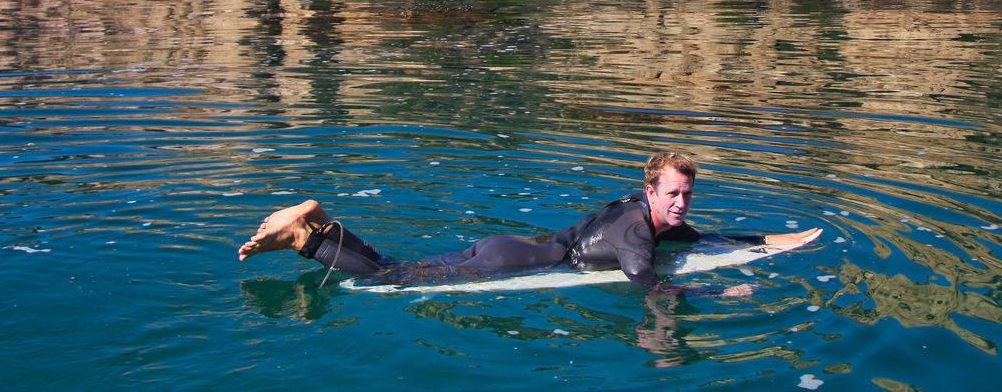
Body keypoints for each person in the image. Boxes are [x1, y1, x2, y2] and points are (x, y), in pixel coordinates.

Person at [238, 151, 822, 290]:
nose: (682, 205)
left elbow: (713, 236)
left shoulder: (644, 212)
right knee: (386, 281)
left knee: (397, 263)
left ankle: (318, 221)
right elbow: (647, 282)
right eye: (673, 194)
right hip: (515, 261)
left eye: (687, 195)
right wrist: (720, 293)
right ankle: (302, 238)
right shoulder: (639, 230)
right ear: (651, 189)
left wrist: (776, 240)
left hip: (510, 246)